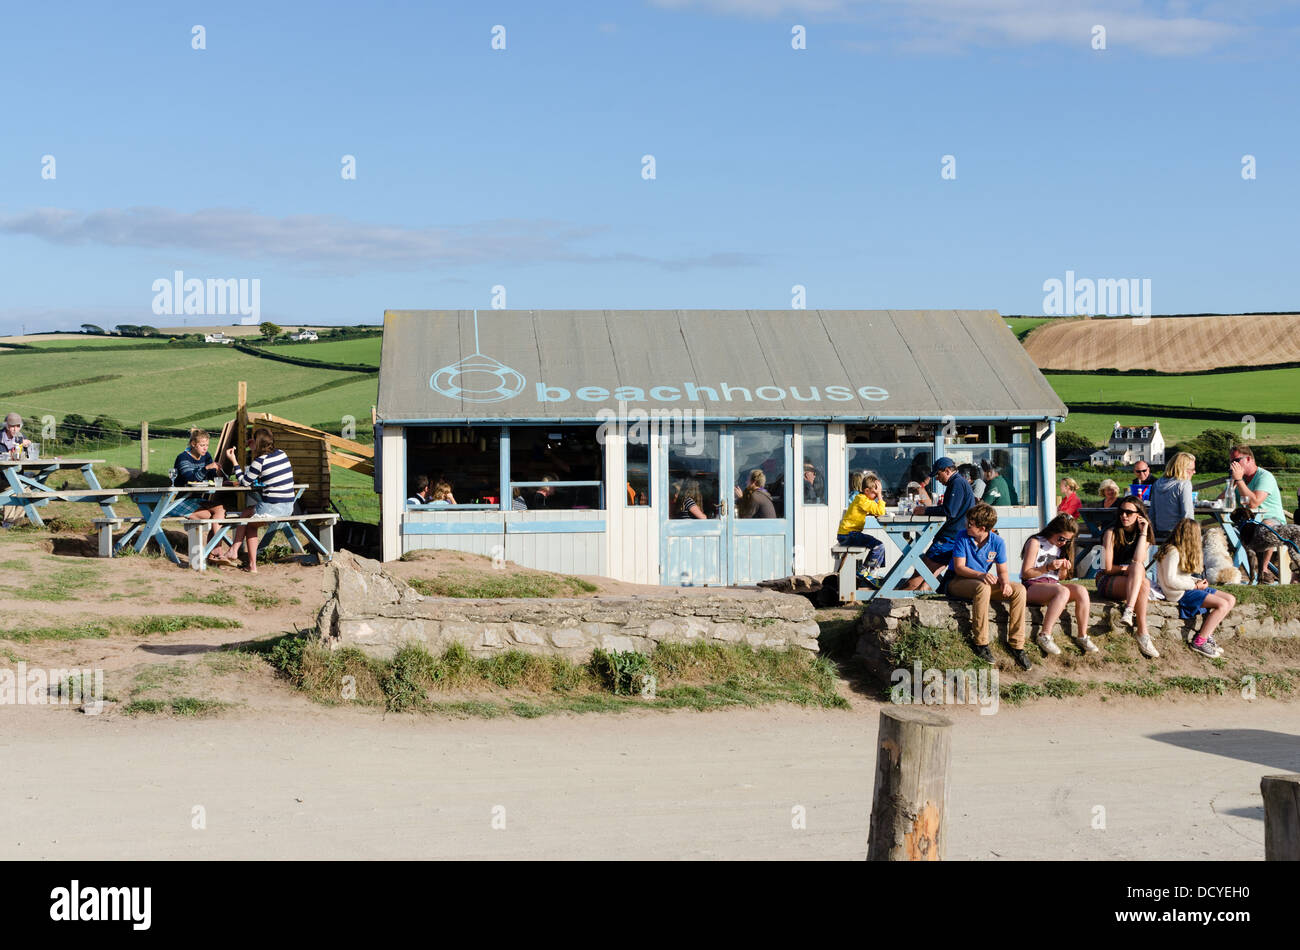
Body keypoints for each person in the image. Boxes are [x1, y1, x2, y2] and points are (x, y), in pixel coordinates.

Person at [945, 503, 1032, 670]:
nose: (967, 525)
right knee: (982, 587)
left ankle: (1017, 644)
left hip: (982, 583)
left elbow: (1003, 570)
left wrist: (1005, 583)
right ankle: (981, 643)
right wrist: (981, 575)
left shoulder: (997, 542)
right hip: (958, 581)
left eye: (970, 524)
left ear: (982, 528)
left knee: (1019, 590)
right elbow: (959, 567)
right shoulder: (962, 537)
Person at [219, 427, 296, 574]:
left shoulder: (260, 461)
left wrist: (234, 460)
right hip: (289, 507)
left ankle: (238, 554)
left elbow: (244, 483)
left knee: (248, 520)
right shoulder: (282, 454)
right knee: (247, 514)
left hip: (273, 507)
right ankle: (241, 557)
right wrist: (255, 446)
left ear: (257, 442)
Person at [1019, 514, 1098, 656]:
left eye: (1068, 541)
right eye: (1061, 538)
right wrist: (1047, 568)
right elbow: (1026, 573)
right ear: (1053, 530)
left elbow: (1060, 578)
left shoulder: (1061, 548)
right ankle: (1045, 635)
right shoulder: (1035, 542)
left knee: (1081, 590)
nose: (1063, 543)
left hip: (1052, 585)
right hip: (1032, 586)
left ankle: (1082, 636)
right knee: (1062, 591)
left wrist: (1063, 569)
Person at [1157, 518, 1235, 658]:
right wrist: (1194, 585)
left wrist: (1196, 581)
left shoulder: (1179, 550)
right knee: (1222, 604)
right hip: (1179, 593)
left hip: (1187, 587)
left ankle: (1208, 634)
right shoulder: (1172, 552)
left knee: (1230, 599)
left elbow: (1180, 576)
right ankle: (1200, 642)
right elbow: (1170, 580)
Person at [1097, 496, 1159, 657]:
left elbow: (1139, 560)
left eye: (1129, 512)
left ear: (1139, 515)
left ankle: (1141, 630)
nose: (1124, 515)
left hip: (1131, 580)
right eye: (1122, 512)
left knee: (1141, 577)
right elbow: (1107, 568)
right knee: (1139, 574)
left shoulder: (1144, 534)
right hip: (1106, 580)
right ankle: (1134, 619)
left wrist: (1144, 532)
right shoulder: (1110, 533)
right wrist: (1128, 569)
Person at [902, 457, 975, 591]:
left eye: (938, 474)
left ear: (947, 471)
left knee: (921, 572)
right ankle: (917, 595)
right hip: (955, 536)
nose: (936, 478)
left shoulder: (957, 483)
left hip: (949, 537)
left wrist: (925, 510)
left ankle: (894, 598)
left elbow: (949, 511)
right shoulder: (960, 482)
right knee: (927, 578)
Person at [1224, 444, 1288, 582]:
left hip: (1272, 520)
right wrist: (1231, 485)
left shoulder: (1264, 477)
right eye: (1231, 462)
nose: (1233, 465)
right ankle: (1226, 574)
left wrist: (1239, 480)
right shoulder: (1238, 479)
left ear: (1248, 459)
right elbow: (1221, 501)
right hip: (1247, 523)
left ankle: (1263, 571)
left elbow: (1254, 503)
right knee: (1219, 533)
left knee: (1265, 527)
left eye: (1236, 461)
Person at [170, 428, 227, 530]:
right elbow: (190, 479)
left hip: (199, 499)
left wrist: (221, 477)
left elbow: (212, 477)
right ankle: (214, 544)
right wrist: (206, 468)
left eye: (207, 445)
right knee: (211, 517)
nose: (205, 448)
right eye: (202, 445)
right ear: (193, 444)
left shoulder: (206, 456)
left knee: (220, 510)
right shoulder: (183, 458)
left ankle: (216, 545)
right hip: (182, 500)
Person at [836, 472, 887, 574]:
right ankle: (865, 571)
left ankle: (870, 570)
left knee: (879, 546)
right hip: (848, 535)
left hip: (848, 534)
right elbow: (880, 511)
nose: (876, 496)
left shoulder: (863, 499)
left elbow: (878, 510)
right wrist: (880, 495)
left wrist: (877, 499)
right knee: (879, 546)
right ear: (866, 491)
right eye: (875, 493)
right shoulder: (862, 500)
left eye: (877, 494)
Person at [1149, 452, 1195, 536]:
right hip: (1177, 533)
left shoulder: (1157, 483)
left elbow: (1152, 512)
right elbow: (1187, 514)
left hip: (1159, 531)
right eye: (1192, 469)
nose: (1194, 472)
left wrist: (1153, 533)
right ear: (1183, 469)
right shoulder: (1184, 484)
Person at [1, 412, 33, 527]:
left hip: (17, 476)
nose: (15, 429)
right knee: (13, 489)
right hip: (2, 477)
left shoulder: (21, 437)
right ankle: (8, 523)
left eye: (18, 426)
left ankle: (17, 523)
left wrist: (28, 445)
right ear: (6, 426)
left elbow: (29, 456)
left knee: (27, 491)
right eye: (12, 426)